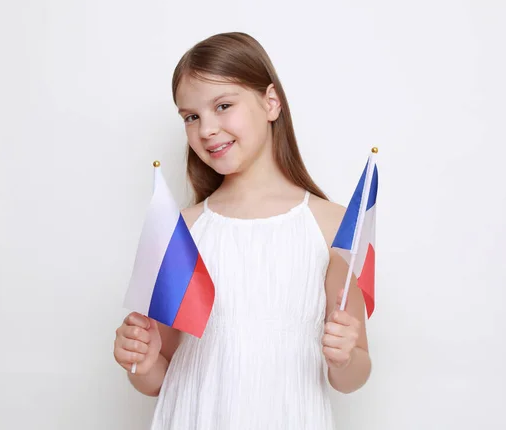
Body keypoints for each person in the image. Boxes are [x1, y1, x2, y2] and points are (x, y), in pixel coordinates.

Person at [113, 32, 371, 429]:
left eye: (223, 106)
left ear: (270, 102)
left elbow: (354, 375)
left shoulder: (330, 225)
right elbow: (158, 377)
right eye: (191, 116)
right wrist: (141, 362)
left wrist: (345, 356)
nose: (206, 129)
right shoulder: (183, 229)